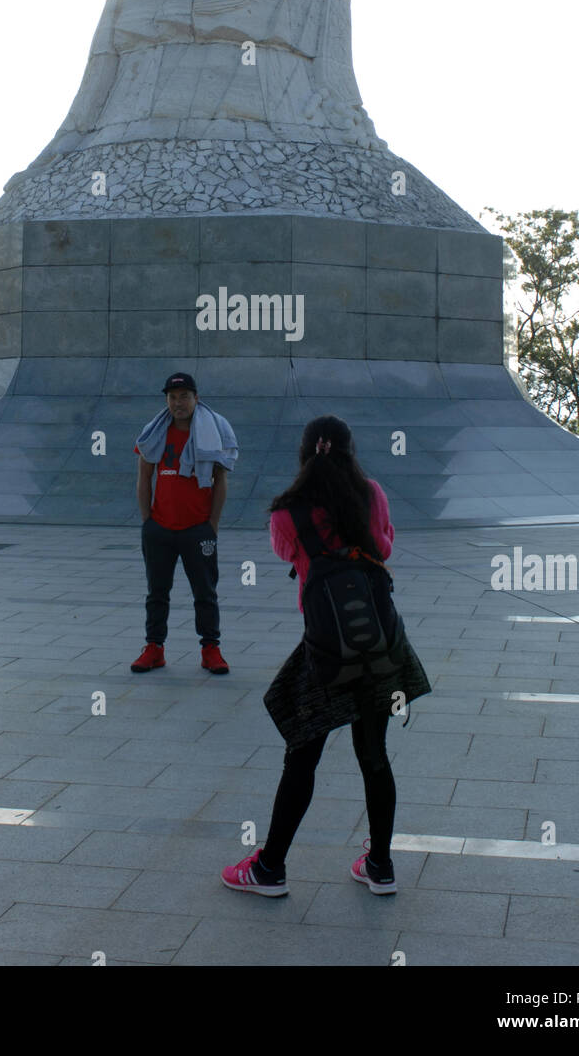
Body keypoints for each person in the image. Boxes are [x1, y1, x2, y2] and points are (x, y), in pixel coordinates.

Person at [221, 415, 430, 896]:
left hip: (325, 650)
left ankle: (269, 868)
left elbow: (286, 555)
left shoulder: (285, 513)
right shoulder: (372, 493)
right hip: (378, 643)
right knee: (374, 754)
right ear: (350, 452)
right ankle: (380, 865)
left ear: (304, 454)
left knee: (302, 757)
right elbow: (384, 546)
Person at [132, 372, 237, 674]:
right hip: (160, 528)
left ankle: (211, 649)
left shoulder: (212, 432)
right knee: (157, 592)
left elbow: (220, 480)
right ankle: (154, 648)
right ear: (167, 400)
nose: (178, 403)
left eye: (184, 396)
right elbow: (144, 477)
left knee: (205, 593)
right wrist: (147, 522)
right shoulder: (154, 434)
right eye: (173, 397)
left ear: (196, 399)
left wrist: (212, 524)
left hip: (197, 529)